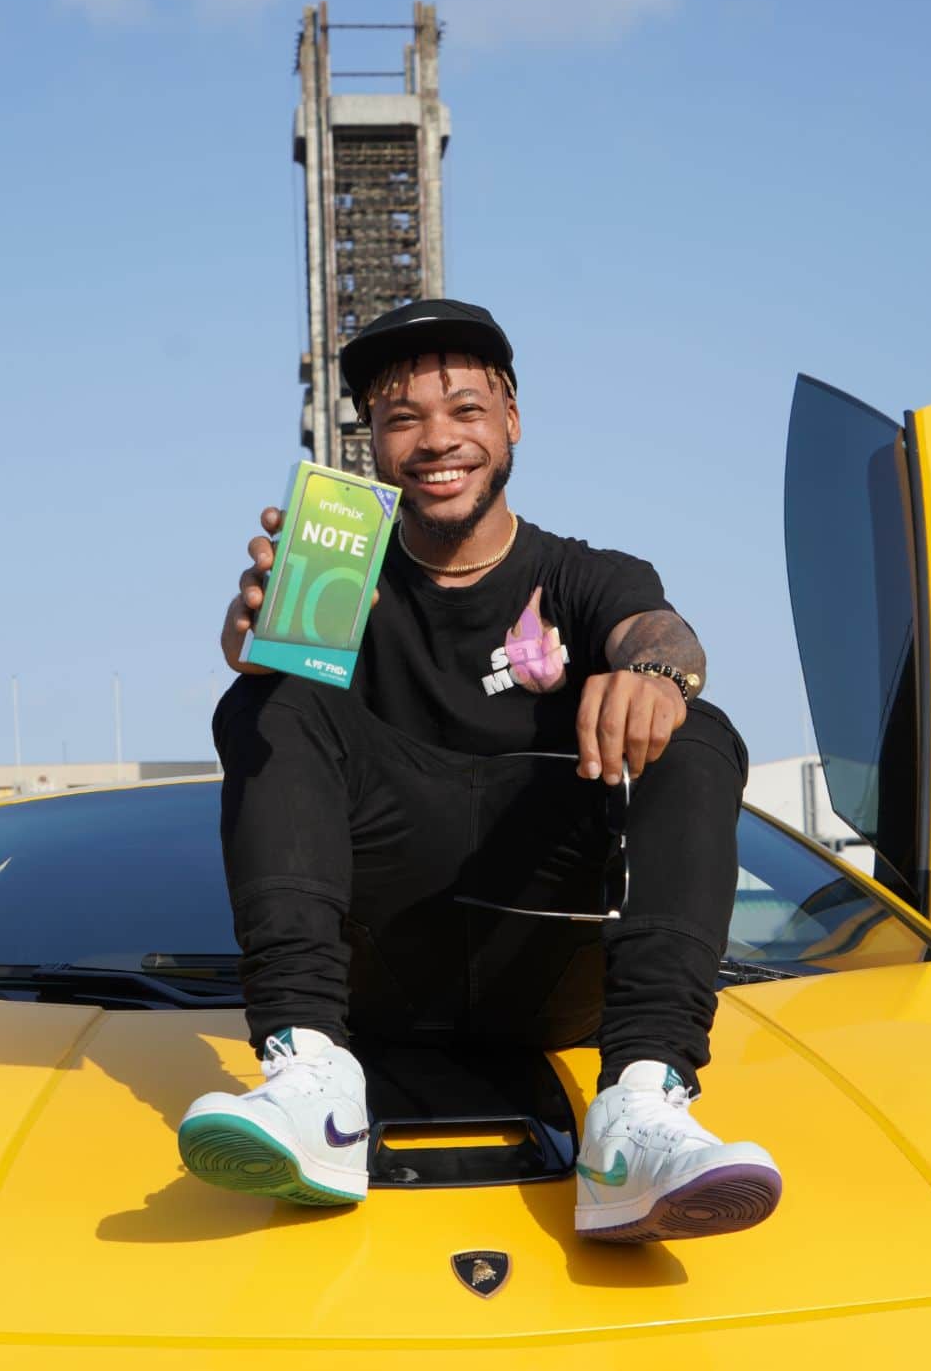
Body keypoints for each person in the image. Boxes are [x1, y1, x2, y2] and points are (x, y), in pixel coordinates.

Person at [179, 299, 781, 1242]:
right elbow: (269, 702)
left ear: (510, 421)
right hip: (373, 971)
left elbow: (661, 634)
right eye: (402, 418)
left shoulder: (586, 575)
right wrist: (256, 643)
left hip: (557, 970)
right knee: (268, 700)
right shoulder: (337, 580)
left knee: (692, 727)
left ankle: (640, 1107)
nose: (435, 439)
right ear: (372, 443)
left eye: (464, 408)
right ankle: (308, 1079)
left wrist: (656, 677)